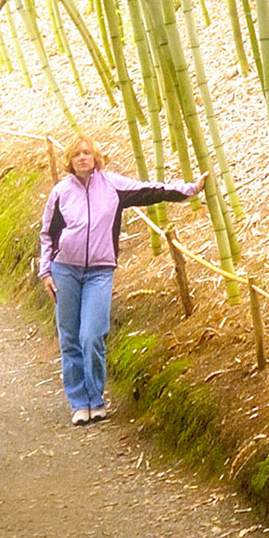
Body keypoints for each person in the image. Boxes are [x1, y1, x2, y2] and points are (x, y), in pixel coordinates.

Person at [39, 139, 204, 426]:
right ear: (69, 160)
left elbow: (151, 190)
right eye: (76, 154)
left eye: (87, 153)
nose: (82, 158)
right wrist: (45, 272)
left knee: (92, 334)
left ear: (96, 157)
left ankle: (96, 399)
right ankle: (79, 403)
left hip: (99, 272)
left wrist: (190, 189)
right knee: (69, 338)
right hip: (64, 270)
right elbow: (47, 235)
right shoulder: (60, 192)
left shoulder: (112, 186)